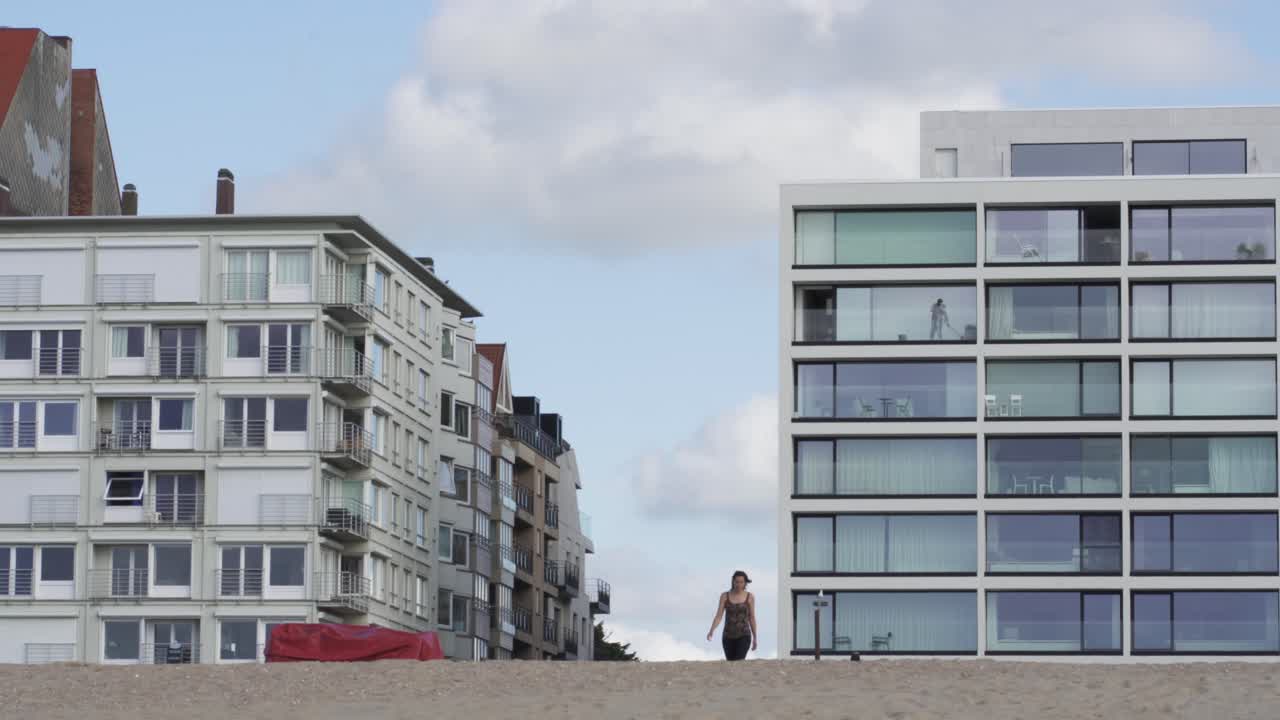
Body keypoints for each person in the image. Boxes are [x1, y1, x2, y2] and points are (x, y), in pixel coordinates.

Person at [705, 570, 757, 660]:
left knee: (739, 661)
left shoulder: (750, 597)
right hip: (728, 636)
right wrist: (711, 630)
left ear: (745, 583)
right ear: (733, 582)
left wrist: (755, 637)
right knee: (731, 663)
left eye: (741, 582)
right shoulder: (725, 596)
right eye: (737, 582)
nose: (739, 584)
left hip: (744, 635)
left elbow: (751, 618)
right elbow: (719, 616)